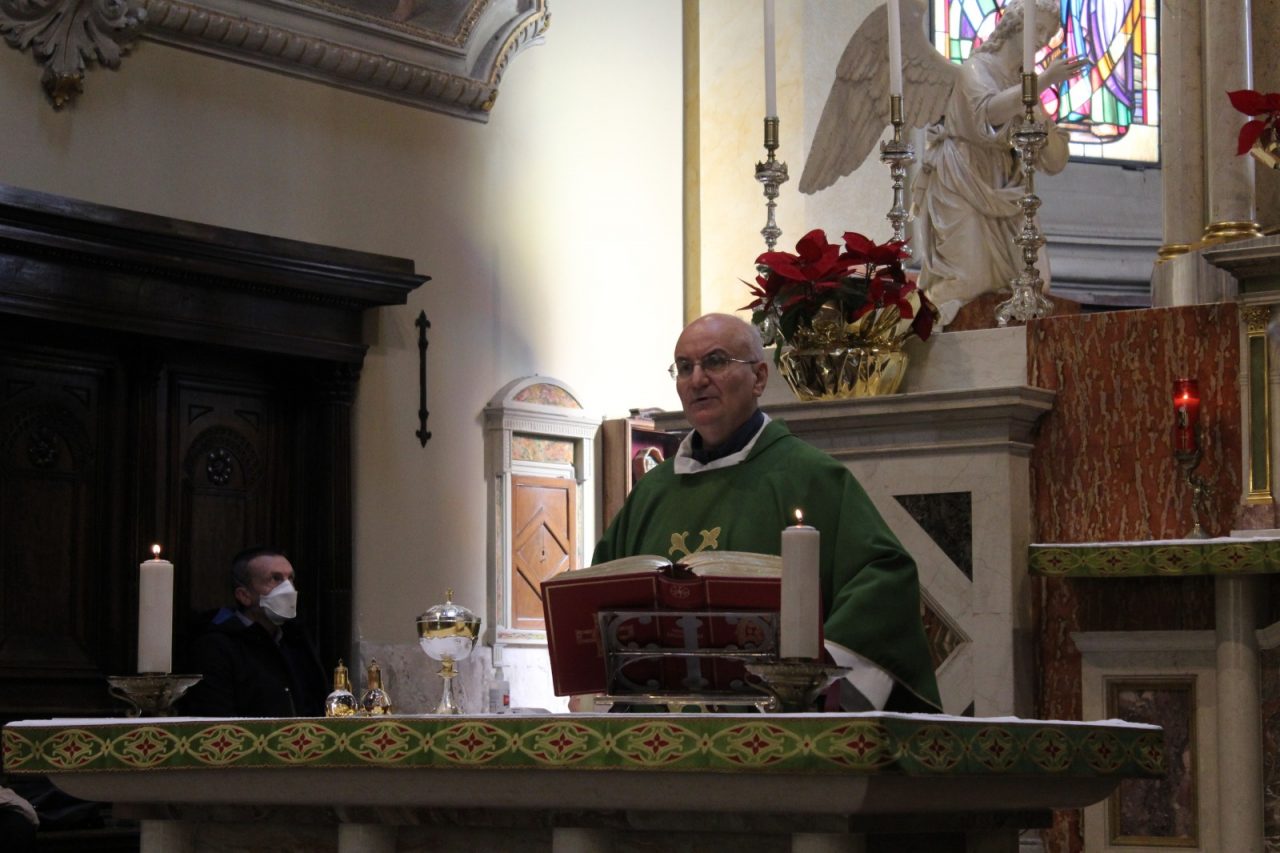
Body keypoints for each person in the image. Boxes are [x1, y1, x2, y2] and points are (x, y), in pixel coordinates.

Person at [593, 314, 942, 713]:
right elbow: (599, 599)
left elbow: (885, 580)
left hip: (779, 728)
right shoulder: (652, 493)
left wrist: (811, 678)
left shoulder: (811, 476)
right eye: (685, 367)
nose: (697, 379)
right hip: (656, 731)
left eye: (716, 361)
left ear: (759, 378)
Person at [913, 0, 1087, 316]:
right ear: (1016, 23)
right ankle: (914, 324)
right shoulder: (975, 69)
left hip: (1006, 187)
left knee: (1036, 283)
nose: (1043, 40)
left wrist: (1045, 129)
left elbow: (1055, 161)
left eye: (1048, 34)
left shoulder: (1021, 82)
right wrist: (1043, 82)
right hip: (962, 178)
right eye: (1039, 28)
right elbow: (987, 113)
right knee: (968, 280)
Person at [180, 547, 328, 717]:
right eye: (275, 579)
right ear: (244, 595)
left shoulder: (296, 640)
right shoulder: (216, 647)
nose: (288, 589)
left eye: (290, 578)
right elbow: (216, 716)